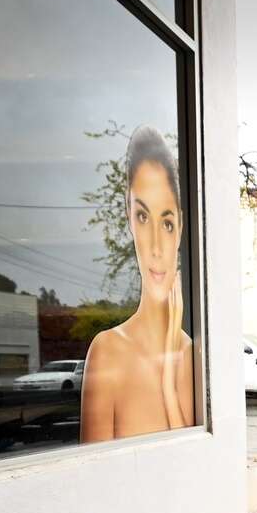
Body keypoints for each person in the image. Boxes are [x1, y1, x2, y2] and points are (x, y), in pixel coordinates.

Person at [80, 126, 194, 442]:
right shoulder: (107, 352)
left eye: (167, 223)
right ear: (129, 217)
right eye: (143, 217)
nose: (156, 247)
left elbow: (193, 461)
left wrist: (168, 383)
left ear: (180, 227)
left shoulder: (191, 355)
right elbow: (93, 469)